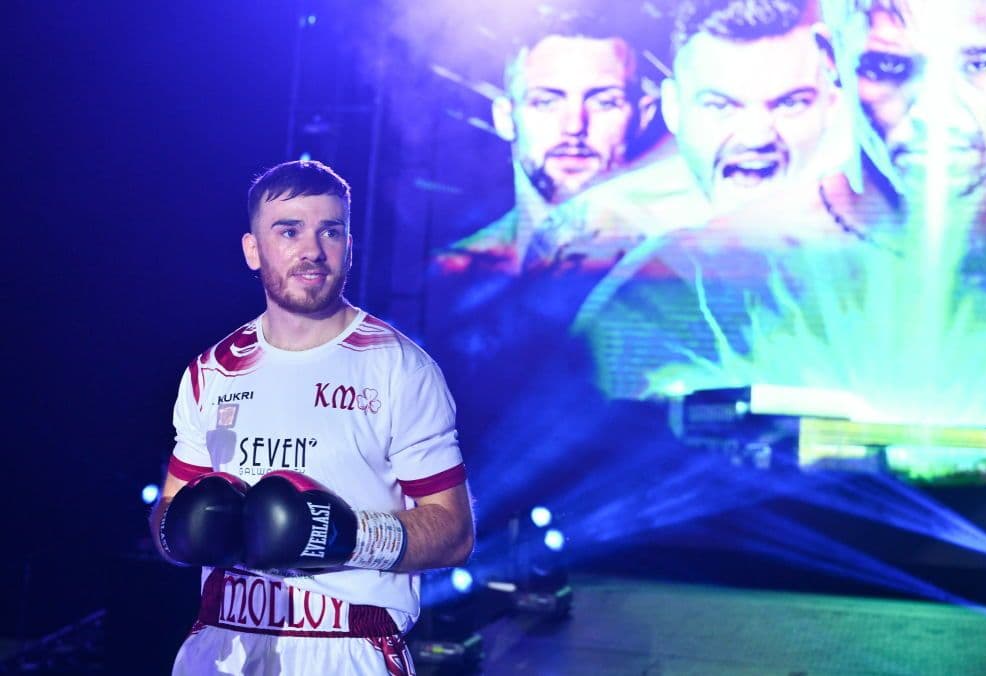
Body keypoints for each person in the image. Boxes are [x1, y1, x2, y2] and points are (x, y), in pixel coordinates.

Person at [149, 160, 474, 675]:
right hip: (221, 643)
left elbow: (454, 533)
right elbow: (168, 511)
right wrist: (179, 530)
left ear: (349, 244)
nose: (311, 251)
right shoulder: (211, 372)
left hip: (346, 642)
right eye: (289, 231)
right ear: (252, 250)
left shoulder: (399, 368)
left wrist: (347, 535)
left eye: (331, 231)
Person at [526, 0, 850, 273]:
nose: (756, 136)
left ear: (833, 105)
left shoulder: (878, 231)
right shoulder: (598, 233)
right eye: (721, 105)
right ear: (673, 108)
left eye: (790, 104)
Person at [434, 10, 660, 276]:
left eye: (604, 102)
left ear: (643, 116)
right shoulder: (454, 273)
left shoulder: (686, 265)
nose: (574, 126)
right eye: (546, 102)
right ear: (505, 117)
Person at [819, 0, 986, 255]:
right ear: (831, 59)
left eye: (981, 66)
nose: (934, 114)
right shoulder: (766, 254)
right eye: (889, 66)